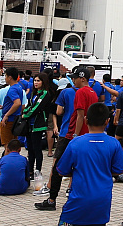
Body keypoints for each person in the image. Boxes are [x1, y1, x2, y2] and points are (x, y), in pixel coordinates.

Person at [36, 68, 97, 211]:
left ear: (82, 78)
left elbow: (79, 115)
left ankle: (52, 199)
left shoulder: (80, 92)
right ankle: (79, 198)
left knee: (57, 166)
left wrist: (75, 135)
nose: (73, 80)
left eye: (75, 78)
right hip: (87, 135)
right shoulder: (93, 93)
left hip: (70, 135)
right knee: (81, 168)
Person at [21, 72, 58, 183]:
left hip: (38, 124)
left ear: (43, 82)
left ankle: (37, 171)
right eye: (35, 80)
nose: (36, 83)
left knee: (37, 149)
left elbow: (37, 108)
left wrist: (25, 115)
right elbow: (29, 105)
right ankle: (30, 171)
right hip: (30, 124)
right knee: (30, 149)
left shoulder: (45, 94)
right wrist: (25, 113)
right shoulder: (34, 93)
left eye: (38, 81)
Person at [0, 68, 23, 171]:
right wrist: (4, 107)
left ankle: (7, 168)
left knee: (8, 146)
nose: (5, 78)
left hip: (9, 120)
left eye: (6, 76)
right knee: (13, 144)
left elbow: (17, 103)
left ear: (10, 77)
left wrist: (6, 114)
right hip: (15, 119)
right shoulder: (19, 87)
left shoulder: (12, 89)